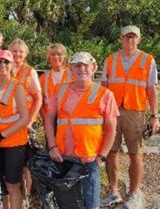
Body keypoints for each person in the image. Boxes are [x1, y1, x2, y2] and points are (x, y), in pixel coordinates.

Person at [45, 52, 118, 209]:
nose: (82, 69)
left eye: (86, 65)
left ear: (93, 68)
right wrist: (52, 146)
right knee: (66, 203)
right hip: (63, 158)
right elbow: (49, 119)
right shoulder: (60, 90)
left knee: (90, 205)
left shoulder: (105, 94)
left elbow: (111, 130)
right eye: (77, 65)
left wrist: (101, 158)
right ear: (71, 68)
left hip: (89, 160)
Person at [101, 25, 159, 209]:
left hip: (136, 112)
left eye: (134, 37)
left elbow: (151, 90)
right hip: (112, 112)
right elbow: (103, 88)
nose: (130, 40)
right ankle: (113, 192)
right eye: (127, 37)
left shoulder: (148, 60)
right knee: (111, 152)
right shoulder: (110, 60)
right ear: (121, 39)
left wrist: (154, 116)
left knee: (136, 154)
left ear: (139, 39)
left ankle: (134, 194)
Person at [0, 50, 29, 209]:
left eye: (6, 62)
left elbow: (25, 118)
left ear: (11, 65)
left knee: (12, 185)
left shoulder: (17, 87)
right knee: (2, 185)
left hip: (13, 144)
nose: (2, 65)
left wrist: (2, 135)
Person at [8, 39, 42, 207]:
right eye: (14, 51)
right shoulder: (3, 69)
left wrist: (30, 120)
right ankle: (12, 196)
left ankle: (26, 196)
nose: (17, 55)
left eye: (20, 52)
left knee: (26, 163)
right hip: (8, 123)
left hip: (26, 123)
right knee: (12, 162)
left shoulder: (30, 72)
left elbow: (38, 98)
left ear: (25, 54)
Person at [39, 43, 72, 121]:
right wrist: (46, 119)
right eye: (53, 54)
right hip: (50, 119)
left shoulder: (73, 75)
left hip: (69, 120)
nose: (56, 57)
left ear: (64, 56)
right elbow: (40, 101)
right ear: (49, 57)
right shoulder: (44, 77)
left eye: (59, 54)